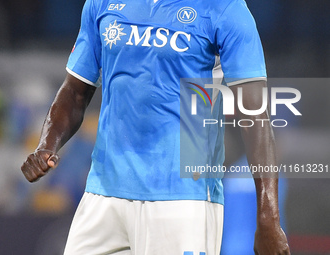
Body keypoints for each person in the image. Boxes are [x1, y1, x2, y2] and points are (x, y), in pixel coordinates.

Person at [21, 0, 290, 254]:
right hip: (103, 193)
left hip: (183, 198)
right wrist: (46, 145)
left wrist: (268, 218)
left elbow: (254, 117)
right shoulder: (102, 3)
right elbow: (76, 90)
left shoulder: (225, 8)